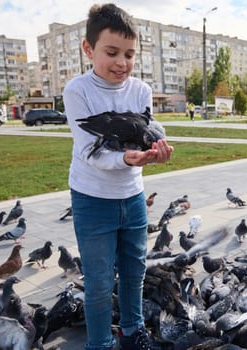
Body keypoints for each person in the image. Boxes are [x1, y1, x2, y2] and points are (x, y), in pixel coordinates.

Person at [63, 3, 173, 350]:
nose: (122, 63)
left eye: (129, 54)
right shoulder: (77, 91)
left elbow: (145, 134)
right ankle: (99, 343)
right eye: (112, 53)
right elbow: (88, 152)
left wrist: (155, 153)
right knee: (97, 281)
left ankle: (132, 330)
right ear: (88, 49)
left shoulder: (140, 91)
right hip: (92, 199)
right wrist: (127, 158)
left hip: (133, 197)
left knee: (134, 272)